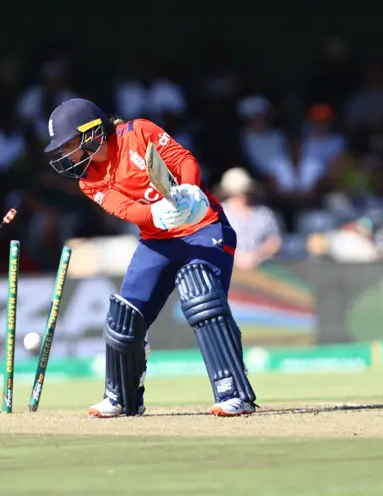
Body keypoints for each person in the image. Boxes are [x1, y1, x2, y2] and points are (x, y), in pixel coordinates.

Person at [44, 98, 257, 417]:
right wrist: (157, 213)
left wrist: (189, 191)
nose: (65, 154)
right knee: (124, 315)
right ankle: (122, 397)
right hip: (158, 240)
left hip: (204, 227)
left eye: (68, 144)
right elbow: (127, 210)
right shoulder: (90, 180)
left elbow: (183, 160)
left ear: (90, 134)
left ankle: (235, 393)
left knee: (201, 294)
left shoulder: (138, 132)